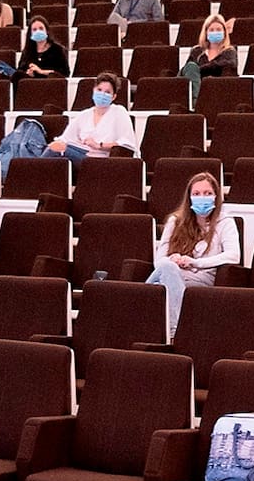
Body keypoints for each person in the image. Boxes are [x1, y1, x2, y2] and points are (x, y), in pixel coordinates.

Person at [145, 171, 239, 340]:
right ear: (189, 198)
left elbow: (233, 256)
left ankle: (173, 330)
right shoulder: (175, 221)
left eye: (207, 193)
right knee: (166, 268)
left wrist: (196, 263)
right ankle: (179, 329)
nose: (202, 198)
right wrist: (173, 259)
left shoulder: (225, 222)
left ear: (216, 196)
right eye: (196, 194)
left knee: (154, 292)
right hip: (171, 275)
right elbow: (159, 261)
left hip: (200, 283)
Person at [47, 72, 137, 162]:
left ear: (113, 97)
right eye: (99, 90)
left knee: (57, 150)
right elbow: (65, 138)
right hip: (81, 153)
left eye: (107, 92)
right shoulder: (84, 115)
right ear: (94, 91)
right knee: (53, 146)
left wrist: (99, 145)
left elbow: (126, 143)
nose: (102, 94)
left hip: (100, 159)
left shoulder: (119, 112)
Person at [180, 14, 238, 101]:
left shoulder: (229, 51)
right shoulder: (197, 51)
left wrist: (200, 70)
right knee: (191, 66)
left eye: (218, 29)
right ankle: (196, 102)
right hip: (198, 89)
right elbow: (189, 70)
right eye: (211, 30)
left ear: (225, 32)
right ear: (206, 32)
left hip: (218, 92)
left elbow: (229, 65)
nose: (215, 32)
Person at [11, 16, 69, 84]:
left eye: (41, 28)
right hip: (32, 85)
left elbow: (65, 73)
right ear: (30, 33)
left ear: (47, 31)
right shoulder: (27, 51)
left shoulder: (57, 49)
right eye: (34, 30)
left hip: (51, 85)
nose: (38, 31)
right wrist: (29, 73)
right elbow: (21, 69)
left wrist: (41, 71)